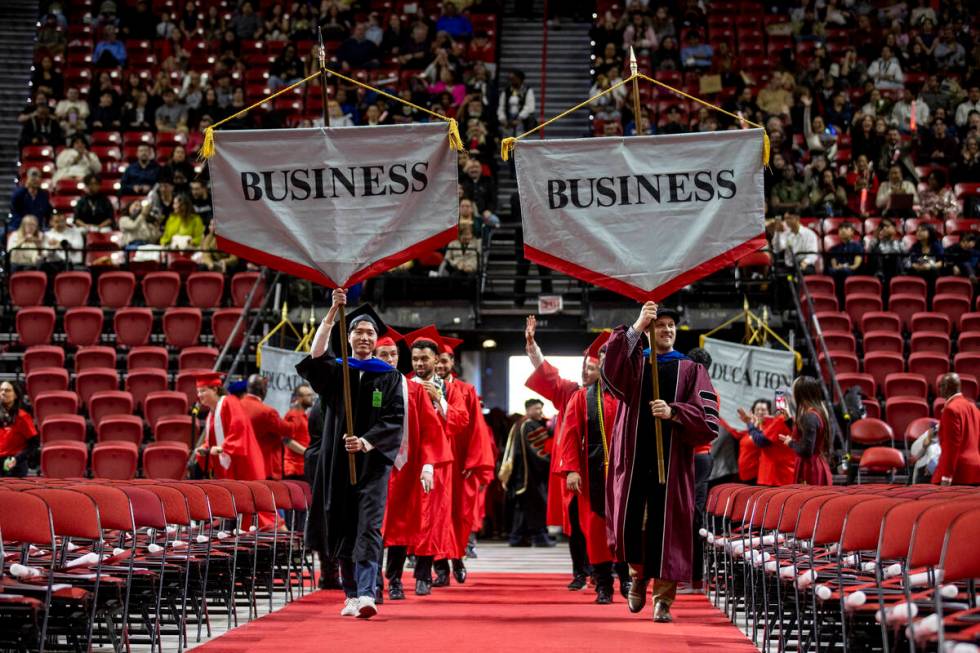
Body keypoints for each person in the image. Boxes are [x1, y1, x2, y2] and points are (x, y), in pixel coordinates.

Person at [602, 304, 719, 623]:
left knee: (671, 531)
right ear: (651, 332)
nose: (667, 330)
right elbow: (610, 371)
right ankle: (638, 577)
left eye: (671, 326)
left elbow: (709, 419)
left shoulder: (691, 369)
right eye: (661, 325)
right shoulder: (636, 365)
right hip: (636, 459)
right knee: (636, 526)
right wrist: (638, 324)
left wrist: (675, 412)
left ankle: (663, 600)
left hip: (674, 464)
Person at [297, 290, 405, 619]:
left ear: (376, 340)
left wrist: (366, 442)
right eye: (357, 331)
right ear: (348, 337)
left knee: (369, 526)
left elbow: (394, 420)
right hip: (336, 463)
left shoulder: (387, 377)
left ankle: (369, 591)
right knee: (341, 523)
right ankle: (351, 594)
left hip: (372, 466)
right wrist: (331, 313)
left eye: (370, 332)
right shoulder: (335, 372)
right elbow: (316, 356)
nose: (363, 336)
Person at [382, 328, 455, 598]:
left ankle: (425, 574)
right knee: (396, 523)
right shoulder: (404, 386)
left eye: (425, 359)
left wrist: (439, 400)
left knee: (429, 522)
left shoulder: (456, 389)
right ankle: (391, 579)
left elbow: (461, 423)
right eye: (415, 359)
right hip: (400, 466)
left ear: (437, 360)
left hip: (436, 464)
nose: (420, 364)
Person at [558, 332, 629, 604]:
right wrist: (572, 470)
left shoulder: (630, 394)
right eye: (603, 360)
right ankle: (603, 585)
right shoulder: (582, 397)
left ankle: (626, 578)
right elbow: (570, 436)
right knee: (598, 530)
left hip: (626, 475)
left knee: (625, 528)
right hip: (594, 474)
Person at [524, 314, 591, 589]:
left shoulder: (617, 395)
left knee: (602, 525)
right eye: (587, 366)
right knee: (576, 525)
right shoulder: (570, 392)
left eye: (595, 366)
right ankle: (580, 572)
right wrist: (533, 348)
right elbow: (548, 376)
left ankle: (606, 573)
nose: (589, 370)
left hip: (605, 470)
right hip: (576, 470)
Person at [434, 333, 495, 564]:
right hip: (433, 459)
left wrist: (473, 461)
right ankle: (438, 566)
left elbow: (477, 429)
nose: (440, 365)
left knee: (460, 512)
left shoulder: (466, 390)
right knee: (434, 512)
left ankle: (457, 557)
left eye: (445, 360)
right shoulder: (419, 388)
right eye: (437, 360)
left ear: (452, 362)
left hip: (459, 460)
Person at [194, 371, 267, 481]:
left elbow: (239, 427)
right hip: (228, 469)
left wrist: (224, 447)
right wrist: (204, 449)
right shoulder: (211, 414)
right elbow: (213, 441)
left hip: (243, 466)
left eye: (203, 391)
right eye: (198, 392)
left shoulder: (230, 402)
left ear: (215, 389)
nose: (199, 395)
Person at [501, 399, 553, 548]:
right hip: (529, 474)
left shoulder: (520, 424)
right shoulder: (529, 425)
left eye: (540, 409)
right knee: (535, 505)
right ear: (528, 409)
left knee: (523, 508)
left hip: (522, 473)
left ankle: (519, 537)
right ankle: (538, 537)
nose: (540, 412)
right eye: (537, 408)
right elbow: (536, 452)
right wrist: (550, 461)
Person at [774, 377, 834, 485]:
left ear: (800, 394)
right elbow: (804, 435)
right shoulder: (819, 411)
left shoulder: (809, 416)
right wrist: (788, 421)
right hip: (816, 465)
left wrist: (790, 443)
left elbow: (806, 451)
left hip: (810, 469)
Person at [932, 373, 980, 486]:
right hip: (976, 472)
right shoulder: (974, 409)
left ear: (948, 387)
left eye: (941, 385)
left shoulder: (950, 410)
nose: (939, 389)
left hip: (957, 474)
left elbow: (951, 446)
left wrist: (946, 476)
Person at [240, 374, 286, 480]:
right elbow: (287, 430)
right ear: (263, 390)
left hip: (244, 467)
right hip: (266, 467)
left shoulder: (236, 406)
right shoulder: (267, 412)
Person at [0, 382, 38, 477]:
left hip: (13, 465)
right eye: (1, 390)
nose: (3, 393)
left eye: (7, 390)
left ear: (15, 395)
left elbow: (34, 443)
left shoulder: (23, 417)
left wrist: (17, 459)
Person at [283, 384, 313, 480]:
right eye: (308, 395)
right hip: (294, 469)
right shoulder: (293, 415)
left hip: (302, 467)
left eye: (311, 395)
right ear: (299, 398)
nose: (311, 398)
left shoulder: (304, 414)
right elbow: (286, 440)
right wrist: (307, 452)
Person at [828, 222, 864, 295]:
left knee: (845, 271)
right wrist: (838, 267)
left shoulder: (858, 247)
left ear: (852, 232)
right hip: (838, 271)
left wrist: (845, 267)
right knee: (831, 271)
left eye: (846, 228)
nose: (843, 230)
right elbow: (834, 265)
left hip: (851, 271)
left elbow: (856, 265)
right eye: (841, 229)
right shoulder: (833, 249)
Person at [498, 69, 535, 137]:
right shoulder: (506, 91)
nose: (512, 81)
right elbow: (501, 106)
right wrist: (502, 119)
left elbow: (529, 107)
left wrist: (519, 118)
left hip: (522, 121)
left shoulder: (527, 90)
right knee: (507, 139)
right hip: (508, 120)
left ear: (520, 79)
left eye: (514, 79)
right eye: (511, 79)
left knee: (519, 140)